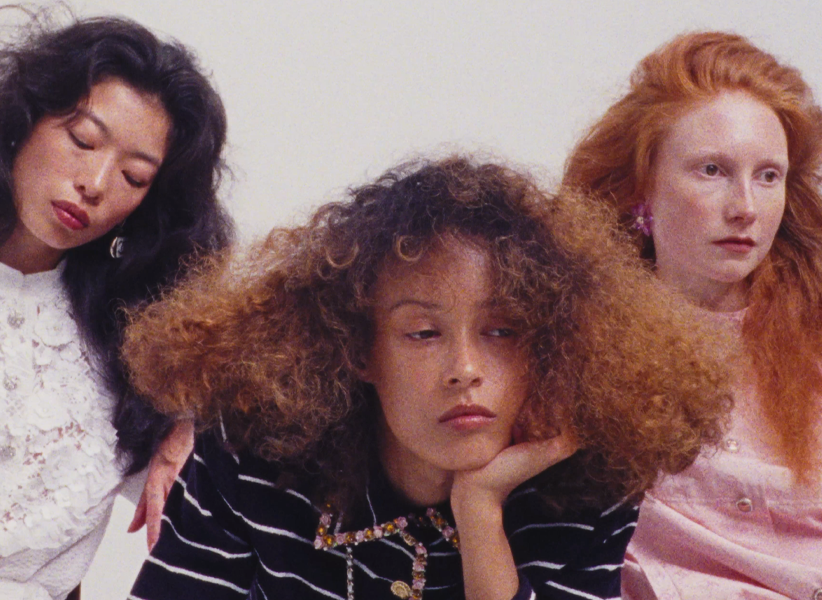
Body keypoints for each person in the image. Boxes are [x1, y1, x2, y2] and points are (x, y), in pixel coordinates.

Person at [120, 155, 730, 600]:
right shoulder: (252, 454)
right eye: (422, 333)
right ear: (360, 349)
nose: (465, 370)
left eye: (502, 331)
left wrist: (480, 512)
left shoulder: (592, 492)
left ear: (549, 344)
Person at [0, 7, 232, 599]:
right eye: (82, 140)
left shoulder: (135, 344)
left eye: (134, 177)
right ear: (24, 119)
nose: (95, 182)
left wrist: (186, 425)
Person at [563, 31, 822, 600]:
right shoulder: (577, 354)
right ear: (641, 186)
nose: (745, 207)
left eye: (768, 176)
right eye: (712, 170)